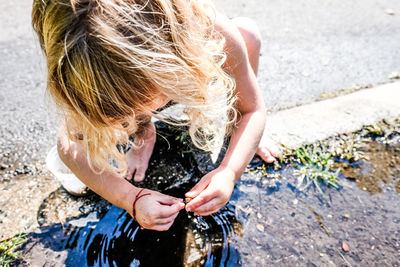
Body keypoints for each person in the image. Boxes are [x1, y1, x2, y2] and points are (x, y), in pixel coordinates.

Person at [32, 0, 277, 231]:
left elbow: (253, 110)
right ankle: (143, 136)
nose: (144, 109)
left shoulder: (211, 32)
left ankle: (239, 130)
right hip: (159, 70)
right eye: (127, 111)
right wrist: (131, 198)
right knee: (122, 112)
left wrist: (230, 171)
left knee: (248, 34)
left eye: (143, 103)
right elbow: (69, 147)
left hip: (190, 64)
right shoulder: (89, 71)